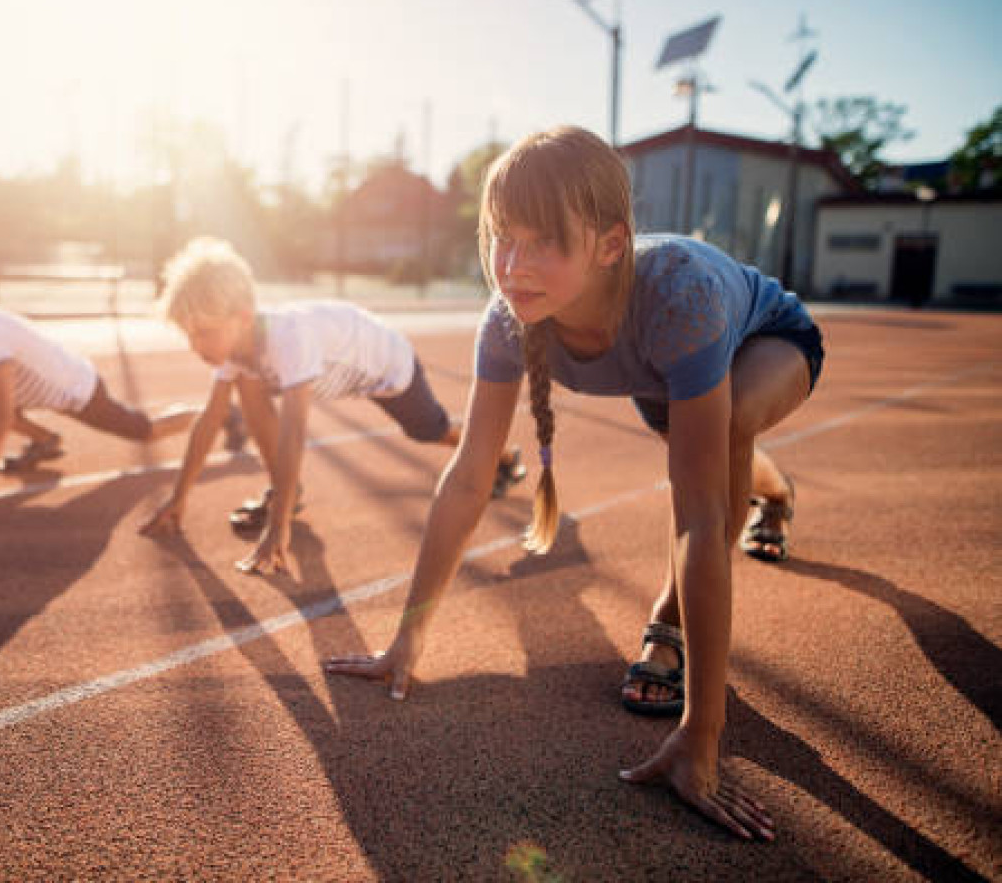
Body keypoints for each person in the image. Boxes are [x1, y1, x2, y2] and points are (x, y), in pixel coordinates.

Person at [323, 126, 825, 841]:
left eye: (544, 243)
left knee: (727, 434)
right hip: (671, 372)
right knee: (710, 449)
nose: (513, 266)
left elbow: (700, 524)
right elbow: (469, 477)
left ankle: (668, 619)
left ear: (610, 245)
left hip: (768, 341)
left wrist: (702, 736)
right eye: (502, 237)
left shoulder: (678, 300)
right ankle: (776, 493)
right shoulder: (506, 321)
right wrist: (405, 639)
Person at [138, 236, 527, 573]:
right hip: (346, 364)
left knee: (430, 431)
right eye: (190, 336)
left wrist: (278, 527)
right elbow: (210, 421)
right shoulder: (236, 352)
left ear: (242, 318)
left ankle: (502, 457)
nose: (196, 347)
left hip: (387, 366)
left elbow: (293, 434)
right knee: (247, 386)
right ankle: (285, 493)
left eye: (204, 333)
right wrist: (178, 498)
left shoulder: (288, 339)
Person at [0, 257, 199, 495]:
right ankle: (45, 441)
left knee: (146, 431)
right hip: (39, 396)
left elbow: (2, 414)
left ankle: (213, 414)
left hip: (79, 391)